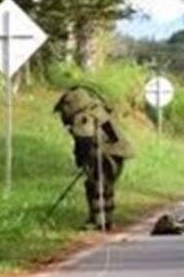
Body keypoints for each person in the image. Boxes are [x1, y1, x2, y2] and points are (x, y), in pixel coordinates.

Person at [52, 86, 133, 230]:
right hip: (117, 153)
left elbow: (85, 139)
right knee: (106, 187)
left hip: (104, 154)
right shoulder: (98, 110)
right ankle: (107, 221)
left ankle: (97, 221)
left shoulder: (83, 117)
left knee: (95, 187)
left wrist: (82, 159)